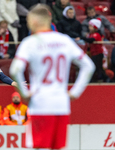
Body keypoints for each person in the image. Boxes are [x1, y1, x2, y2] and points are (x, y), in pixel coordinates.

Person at [9, 4, 95, 150]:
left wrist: (24, 93)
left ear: (34, 21)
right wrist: (75, 92)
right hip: (62, 105)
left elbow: (15, 69)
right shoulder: (65, 40)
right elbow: (89, 66)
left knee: (39, 147)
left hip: (40, 104)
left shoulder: (30, 42)